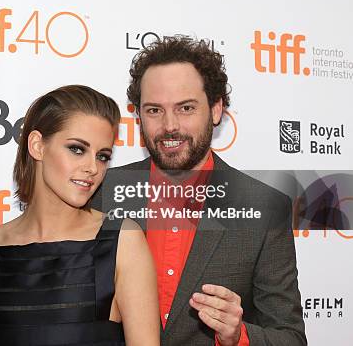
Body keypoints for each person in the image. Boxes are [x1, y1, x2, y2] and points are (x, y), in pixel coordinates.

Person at [94, 36, 306, 345]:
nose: (169, 126)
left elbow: (291, 338)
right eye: (154, 110)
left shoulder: (264, 207)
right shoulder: (101, 193)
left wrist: (239, 335)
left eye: (185, 108)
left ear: (216, 109)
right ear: (138, 114)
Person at [0, 85, 161, 346]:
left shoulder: (121, 240)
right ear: (37, 145)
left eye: (102, 156)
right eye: (77, 149)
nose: (92, 168)